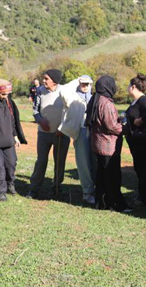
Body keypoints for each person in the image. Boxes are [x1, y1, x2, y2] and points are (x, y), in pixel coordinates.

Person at [85, 75, 131, 213]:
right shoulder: (106, 103)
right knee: (112, 176)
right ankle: (114, 203)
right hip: (108, 145)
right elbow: (111, 126)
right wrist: (126, 128)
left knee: (101, 175)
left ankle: (101, 202)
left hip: (98, 143)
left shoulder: (96, 99)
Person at [28, 69, 70, 199]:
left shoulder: (66, 91)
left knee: (60, 162)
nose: (43, 81)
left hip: (61, 134)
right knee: (41, 161)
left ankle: (56, 188)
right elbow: (35, 110)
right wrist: (40, 120)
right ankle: (34, 189)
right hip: (44, 134)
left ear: (55, 80)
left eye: (46, 79)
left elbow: (71, 112)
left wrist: (63, 128)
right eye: (44, 78)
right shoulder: (40, 91)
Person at [59, 75, 95, 205]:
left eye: (87, 84)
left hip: (95, 133)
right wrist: (77, 80)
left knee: (95, 162)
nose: (84, 86)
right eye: (82, 83)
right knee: (83, 163)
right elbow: (62, 90)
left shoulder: (94, 98)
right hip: (81, 132)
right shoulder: (72, 97)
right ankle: (87, 192)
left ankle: (96, 188)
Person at [125, 74, 146, 207]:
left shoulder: (144, 100)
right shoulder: (135, 101)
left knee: (143, 169)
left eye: (129, 86)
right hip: (135, 142)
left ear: (133, 87)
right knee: (139, 168)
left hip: (143, 142)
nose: (127, 88)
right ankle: (142, 195)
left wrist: (140, 120)